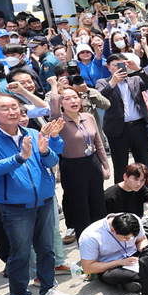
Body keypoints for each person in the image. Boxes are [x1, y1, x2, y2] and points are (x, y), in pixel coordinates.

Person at [0, 95, 74, 295]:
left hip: (45, 201)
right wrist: (21, 157)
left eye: (15, 107)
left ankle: (48, 288)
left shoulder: (33, 133)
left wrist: (52, 142)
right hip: (15, 206)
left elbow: (51, 161)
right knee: (20, 254)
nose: (12, 112)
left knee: (46, 248)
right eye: (5, 108)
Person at [49, 86, 109, 242]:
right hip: (72, 167)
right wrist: (54, 85)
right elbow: (53, 102)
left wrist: (105, 166)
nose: (73, 101)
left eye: (75, 97)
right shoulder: (58, 120)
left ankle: (103, 238)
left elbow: (99, 143)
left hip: (92, 163)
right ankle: (87, 242)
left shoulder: (88, 117)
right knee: (81, 207)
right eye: (67, 99)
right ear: (61, 103)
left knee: (98, 203)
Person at [96, 53, 148, 175]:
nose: (119, 67)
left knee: (142, 162)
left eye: (123, 64)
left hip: (138, 127)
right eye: (115, 65)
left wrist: (138, 69)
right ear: (108, 67)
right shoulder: (102, 82)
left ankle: (145, 190)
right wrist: (113, 83)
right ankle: (121, 192)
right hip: (117, 129)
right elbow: (100, 100)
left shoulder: (134, 79)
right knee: (120, 164)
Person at [78, 212, 148, 294]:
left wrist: (145, 252)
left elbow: (142, 239)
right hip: (110, 266)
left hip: (134, 255)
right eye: (125, 238)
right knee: (109, 276)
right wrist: (119, 262)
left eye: (132, 237)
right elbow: (88, 267)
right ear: (112, 230)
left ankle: (134, 282)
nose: (129, 240)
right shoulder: (90, 236)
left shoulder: (134, 220)